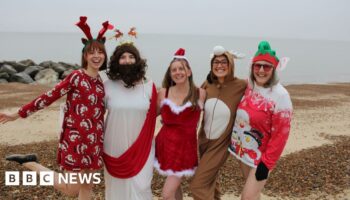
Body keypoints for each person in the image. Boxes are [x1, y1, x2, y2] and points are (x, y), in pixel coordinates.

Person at [0, 16, 113, 199]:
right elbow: (48, 96)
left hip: (94, 143)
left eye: (100, 52)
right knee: (71, 189)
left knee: (87, 188)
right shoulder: (76, 77)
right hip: (75, 141)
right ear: (85, 56)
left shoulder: (102, 82)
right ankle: (32, 164)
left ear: (104, 56)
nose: (96, 56)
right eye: (91, 52)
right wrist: (18, 114)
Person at [228, 41, 292, 200]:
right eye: (257, 66)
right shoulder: (250, 85)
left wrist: (267, 164)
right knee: (254, 195)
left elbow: (281, 136)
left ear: (274, 69)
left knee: (247, 197)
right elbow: (228, 83)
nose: (261, 70)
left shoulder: (281, 95)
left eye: (266, 66)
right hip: (243, 150)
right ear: (252, 67)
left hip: (262, 158)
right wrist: (226, 60)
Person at [189, 45, 247, 200]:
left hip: (221, 144)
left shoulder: (241, 85)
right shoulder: (207, 84)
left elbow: (261, 88)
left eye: (223, 62)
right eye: (216, 62)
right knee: (210, 181)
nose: (219, 65)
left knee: (198, 185)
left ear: (231, 65)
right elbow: (194, 104)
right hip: (203, 141)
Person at [102, 41, 157, 200]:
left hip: (143, 147)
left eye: (131, 57)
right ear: (116, 62)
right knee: (115, 190)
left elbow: (160, 113)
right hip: (113, 147)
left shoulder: (149, 87)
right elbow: (94, 114)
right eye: (122, 57)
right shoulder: (107, 86)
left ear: (138, 60)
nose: (127, 60)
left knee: (142, 188)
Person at [154, 48, 206, 200]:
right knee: (175, 190)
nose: (178, 72)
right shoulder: (163, 93)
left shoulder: (200, 93)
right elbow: (150, 118)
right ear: (170, 74)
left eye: (181, 68)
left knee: (166, 194)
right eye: (174, 70)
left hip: (185, 150)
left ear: (189, 72)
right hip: (165, 146)